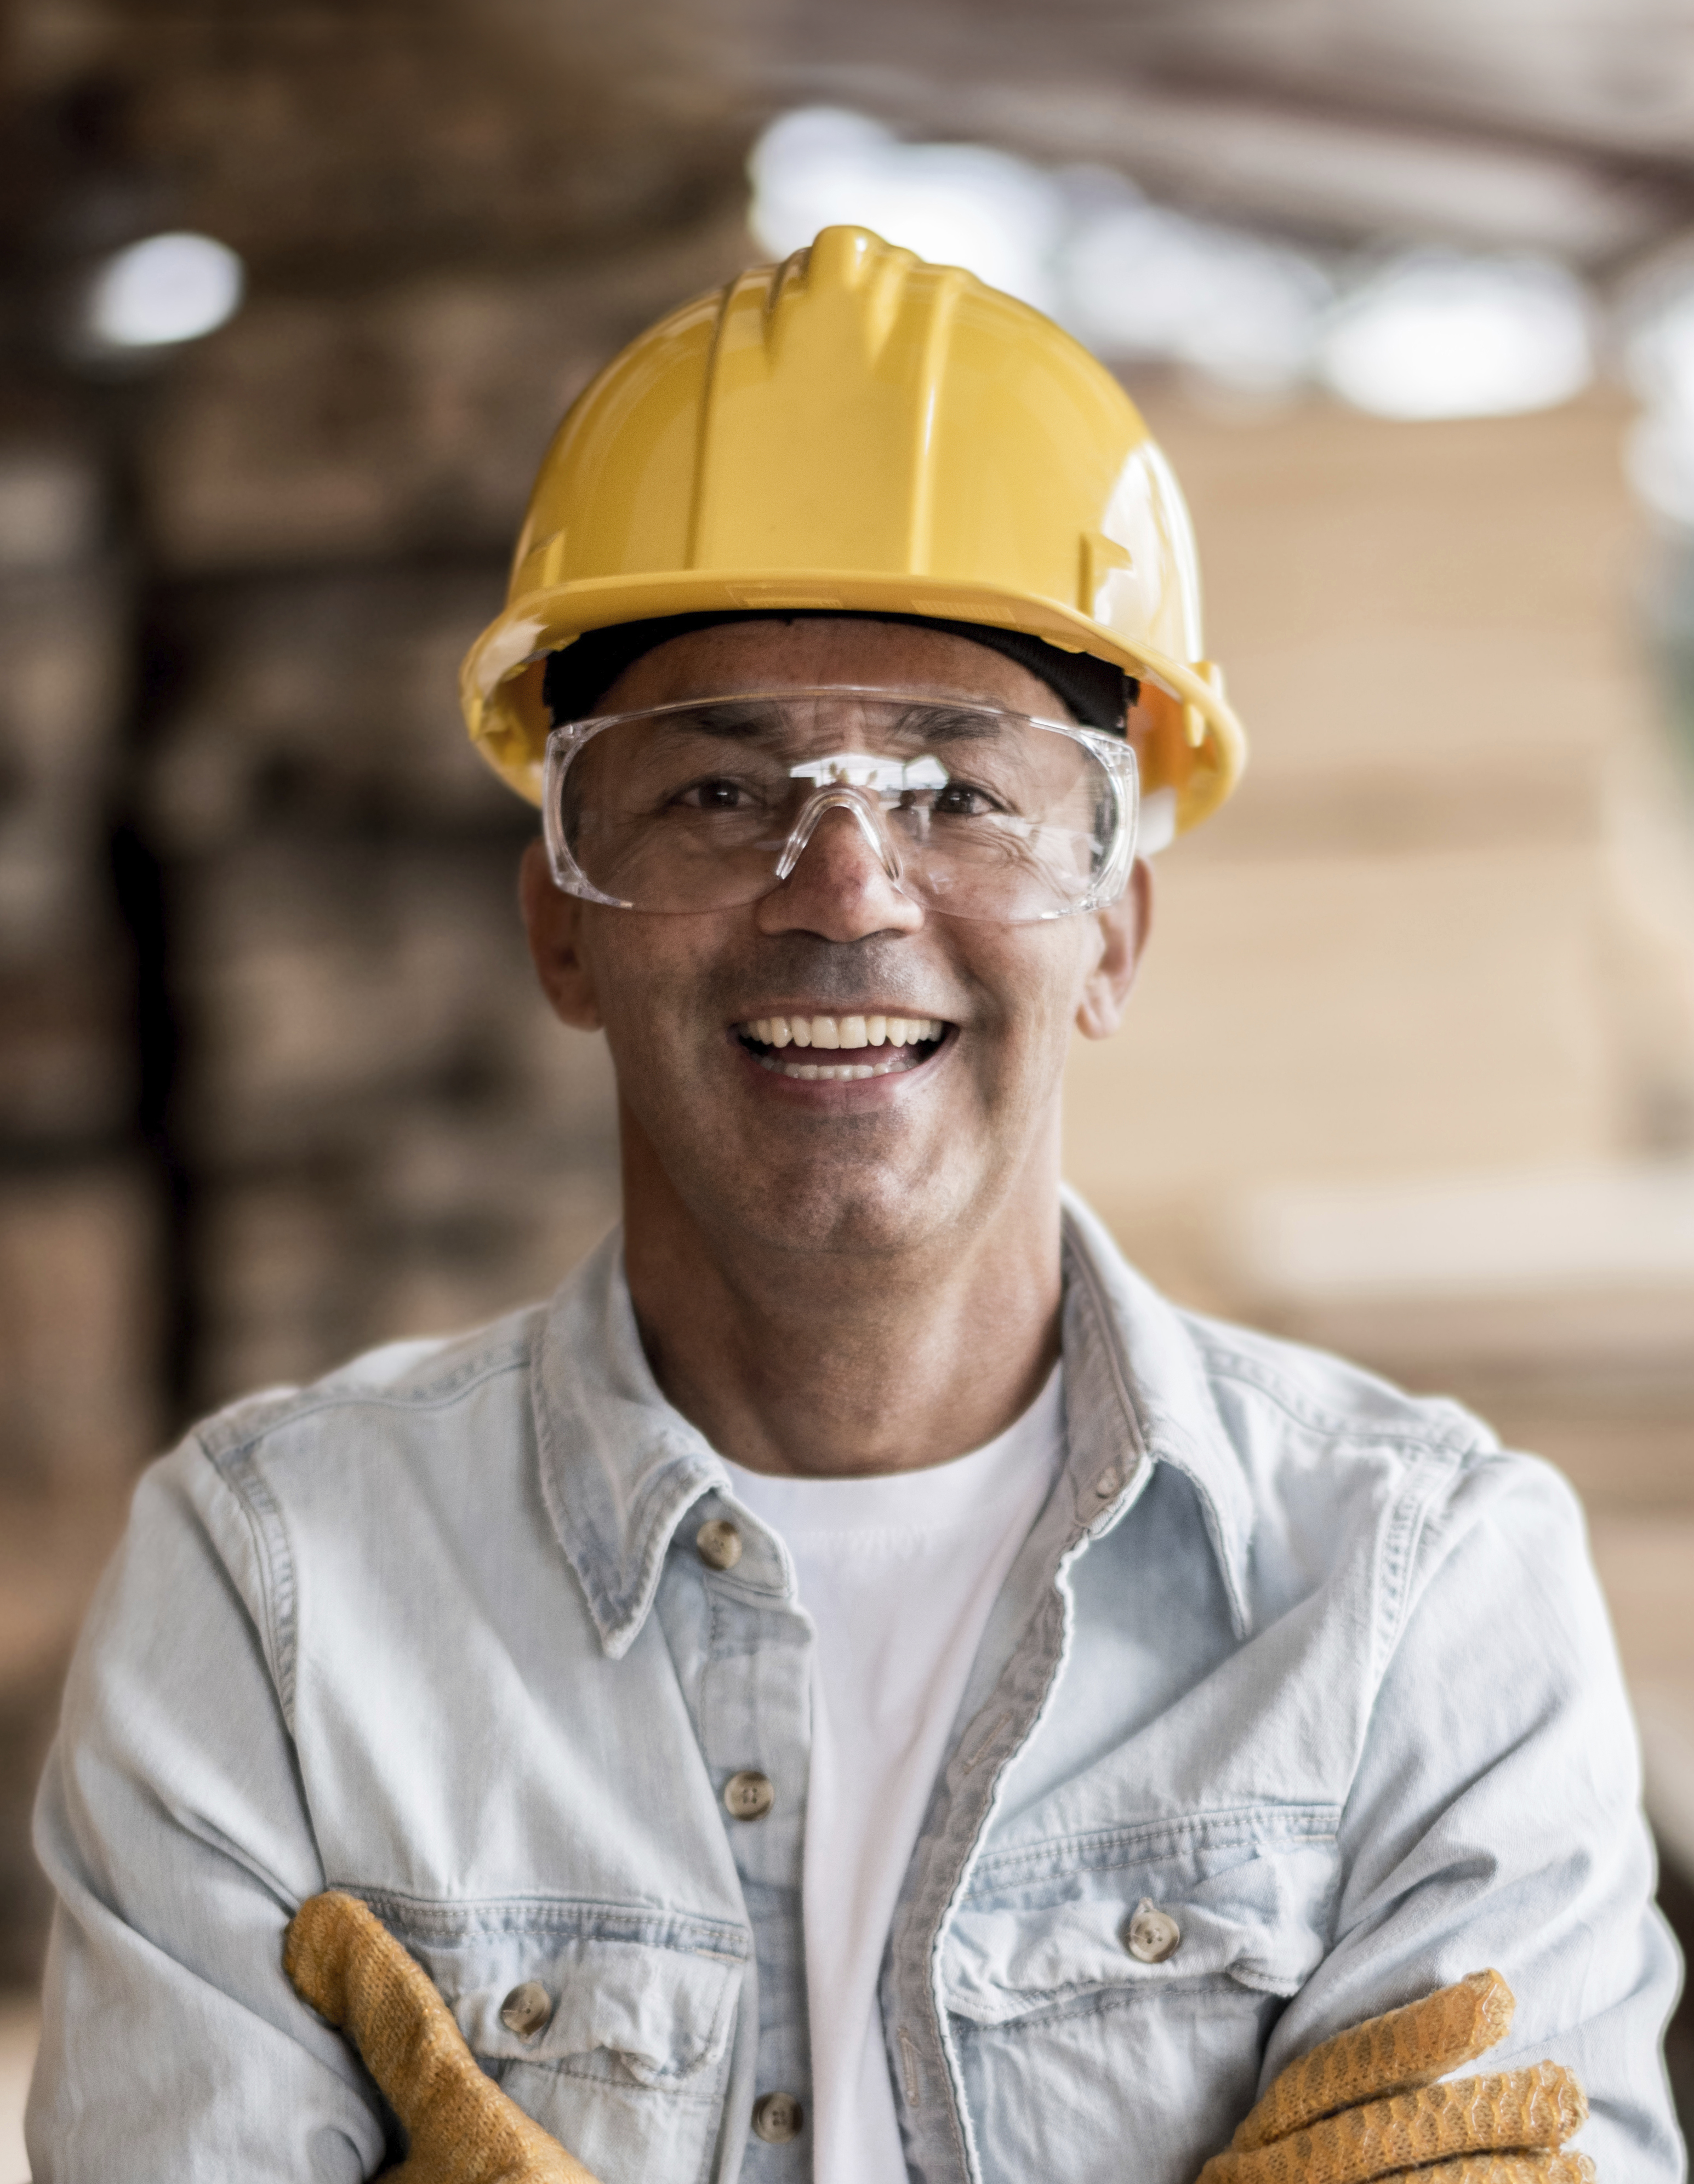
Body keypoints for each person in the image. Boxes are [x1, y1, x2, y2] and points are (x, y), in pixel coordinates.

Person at [26, 225, 1681, 2183]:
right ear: (558, 919)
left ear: (1115, 930)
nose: (843, 888)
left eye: (959, 792)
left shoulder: (1420, 1599)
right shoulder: (276, 1596)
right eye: (719, 795)